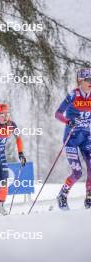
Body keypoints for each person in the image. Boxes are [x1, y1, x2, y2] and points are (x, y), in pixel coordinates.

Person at [55, 68, 91, 210]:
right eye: (88, 80)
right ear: (80, 81)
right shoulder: (73, 95)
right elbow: (57, 114)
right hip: (71, 138)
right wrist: (68, 121)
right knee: (77, 172)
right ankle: (62, 195)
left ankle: (89, 197)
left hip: (86, 137)